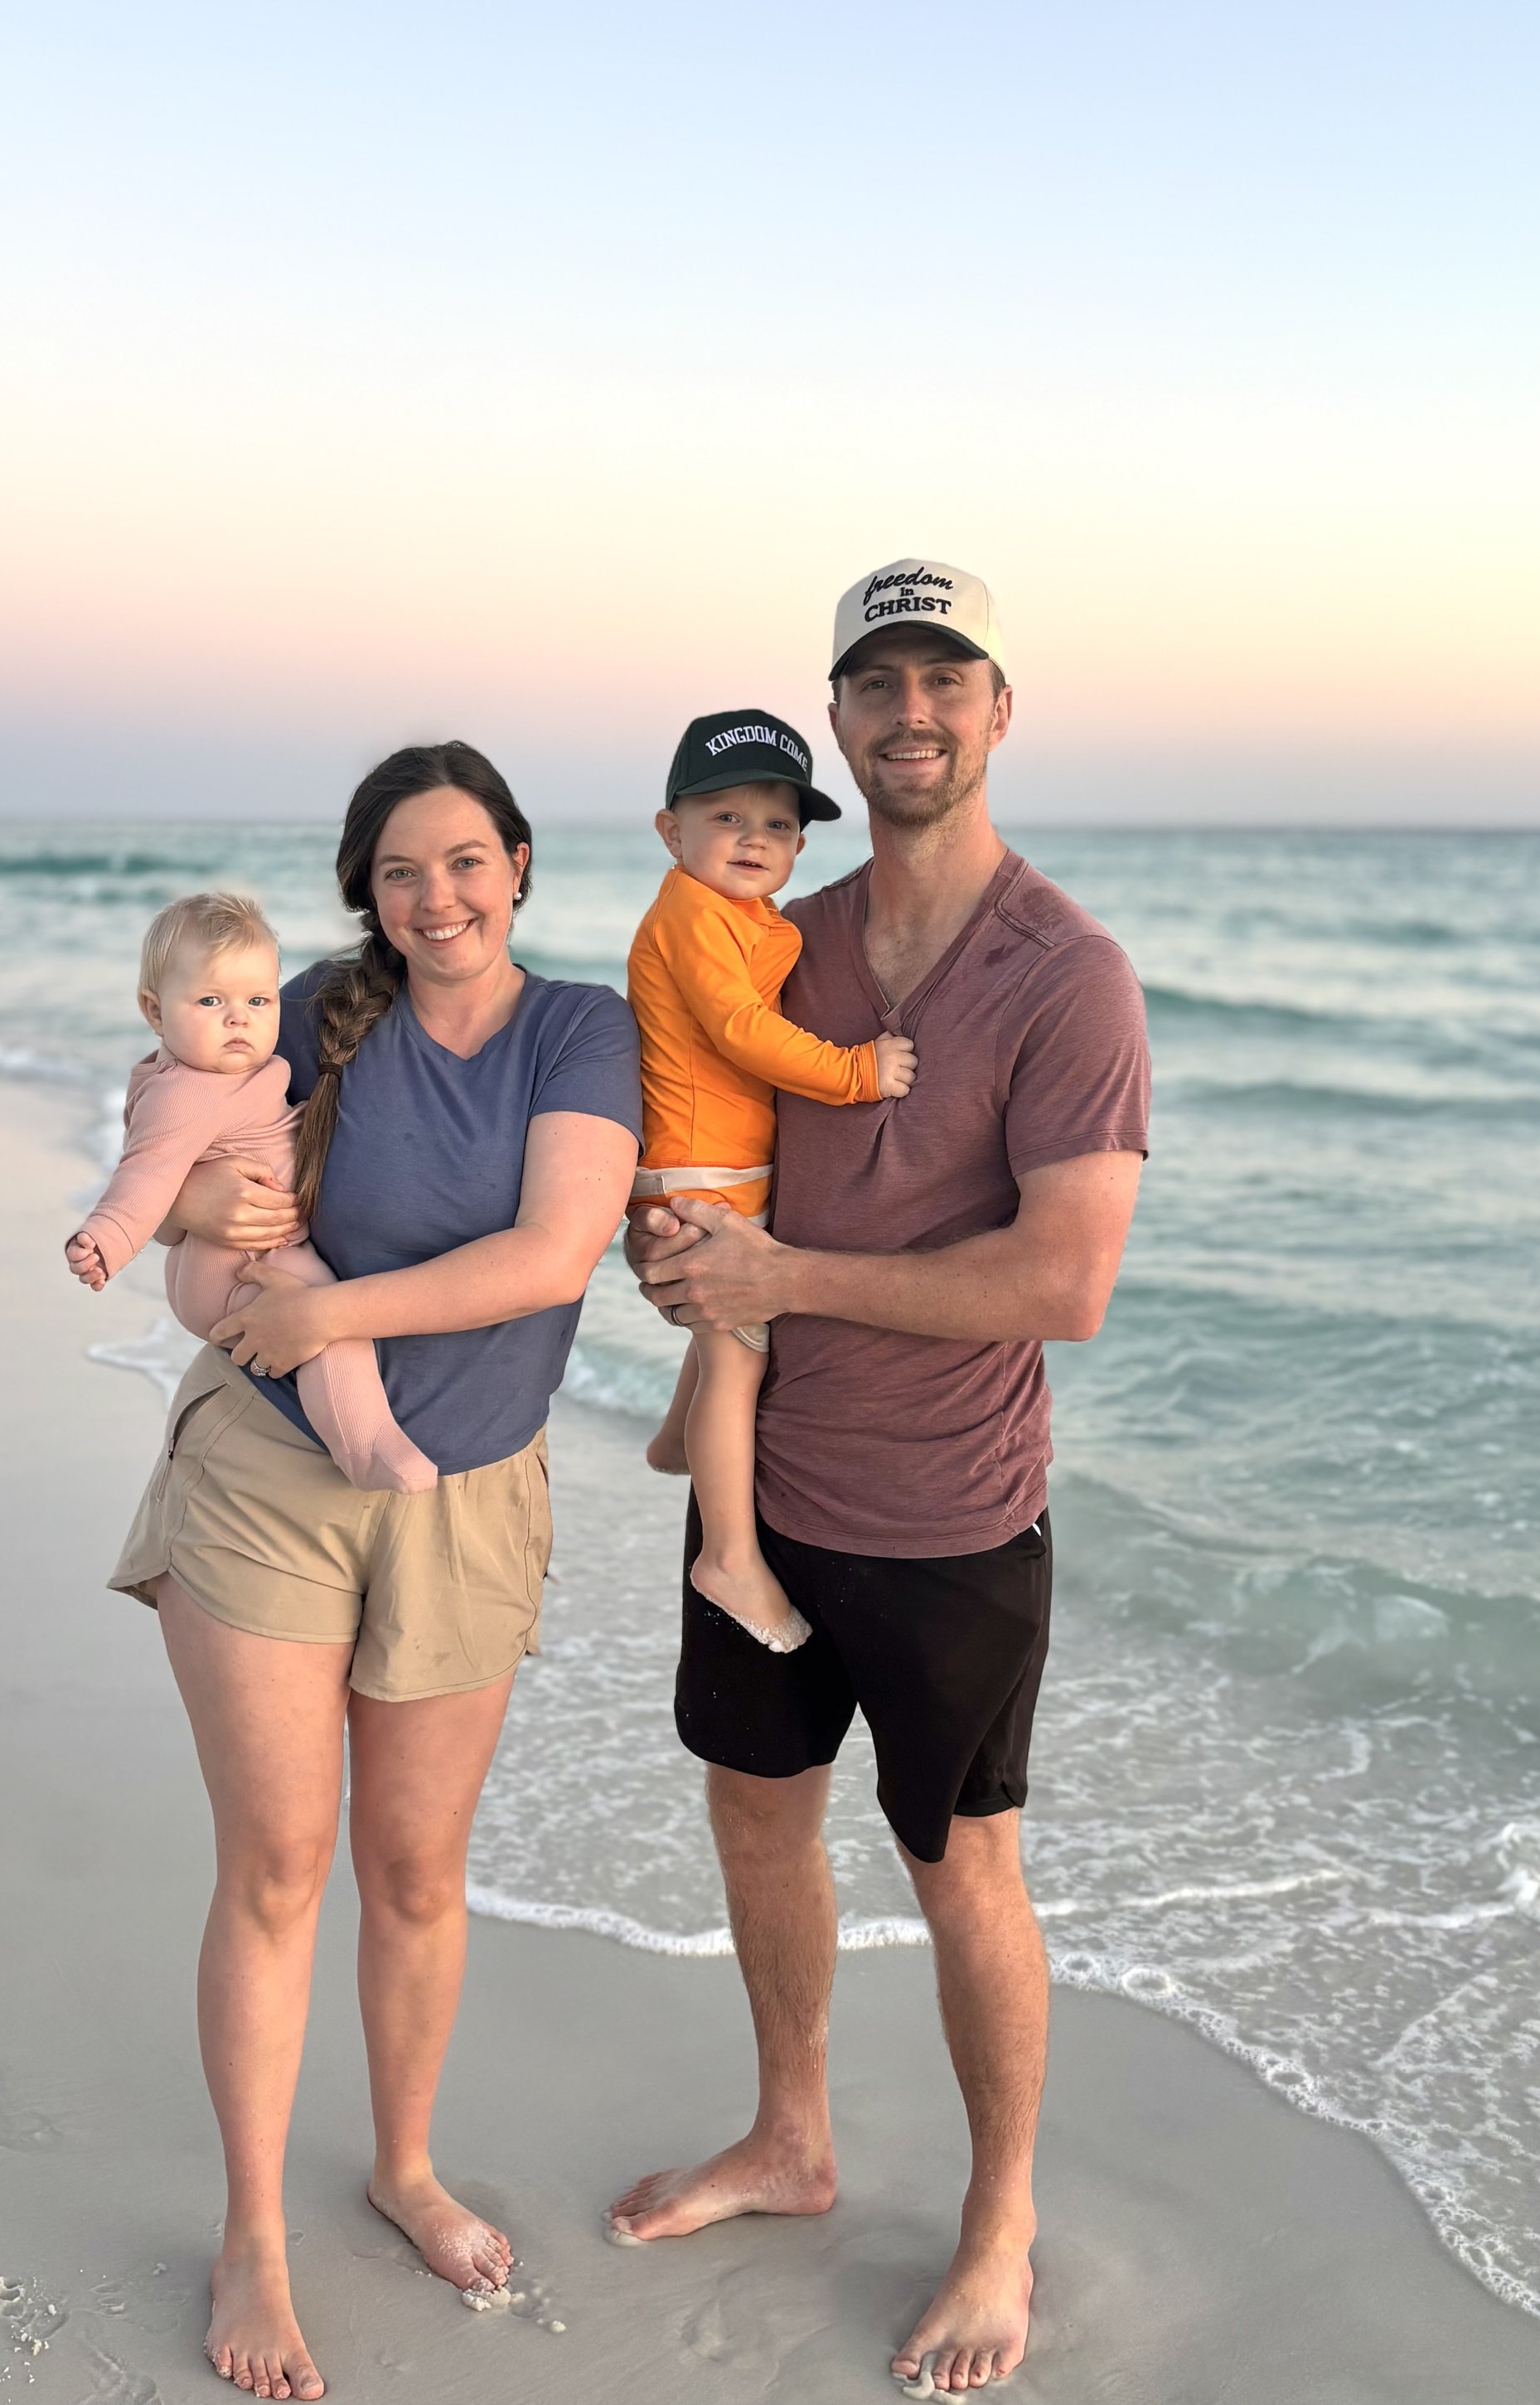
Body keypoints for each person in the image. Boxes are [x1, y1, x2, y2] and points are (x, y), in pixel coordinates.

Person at [609, 565, 1150, 2399]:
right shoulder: (778, 935)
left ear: (998, 712)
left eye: (944, 680)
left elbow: (1062, 1281)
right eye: (874, 685)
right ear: (836, 725)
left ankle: (995, 2219)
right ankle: (788, 2138)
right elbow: (700, 1134)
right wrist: (669, 1250)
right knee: (756, 1816)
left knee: (959, 1866)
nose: (908, 712)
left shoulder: (1065, 974)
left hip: (947, 1514)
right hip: (762, 1493)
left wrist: (784, 1282)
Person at [109, 744, 641, 2404]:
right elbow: (178, 1142)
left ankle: (403, 2166)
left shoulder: (580, 1032)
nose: (438, 895)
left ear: (520, 863)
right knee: (277, 1863)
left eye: (466, 858)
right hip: (269, 1473)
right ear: (368, 889)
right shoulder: (321, 1009)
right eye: (403, 869)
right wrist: (198, 1200)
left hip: (463, 1500)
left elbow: (549, 1256)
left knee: (416, 1870)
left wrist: (328, 1308)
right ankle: (253, 2235)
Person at [627, 709, 915, 1651]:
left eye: (779, 824)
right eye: (726, 817)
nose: (755, 838)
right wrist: (857, 1073)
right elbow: (741, 1032)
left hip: (716, 1165)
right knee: (739, 1361)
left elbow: (767, 964)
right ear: (672, 832)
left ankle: (675, 1443)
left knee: (721, 1337)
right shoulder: (688, 912)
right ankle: (729, 1558)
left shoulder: (738, 916)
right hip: (700, 1170)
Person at [66, 889, 433, 1494]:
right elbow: (145, 1174)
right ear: (155, 1012)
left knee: (319, 1312)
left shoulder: (204, 1073)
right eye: (211, 1000)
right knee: (324, 1321)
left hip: (228, 1256)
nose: (239, 1018)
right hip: (242, 1263)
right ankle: (366, 1444)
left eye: (258, 1000)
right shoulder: (187, 1091)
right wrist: (108, 1237)